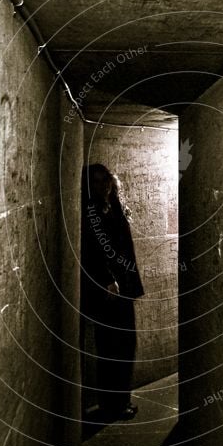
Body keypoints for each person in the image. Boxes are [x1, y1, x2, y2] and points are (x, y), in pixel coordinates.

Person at [80, 163, 144, 420]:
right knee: (113, 348)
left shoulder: (112, 205)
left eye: (105, 180)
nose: (102, 186)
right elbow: (92, 248)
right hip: (109, 289)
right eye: (96, 182)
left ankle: (118, 402)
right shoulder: (92, 210)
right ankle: (114, 406)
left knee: (124, 345)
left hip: (122, 287)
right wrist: (107, 278)